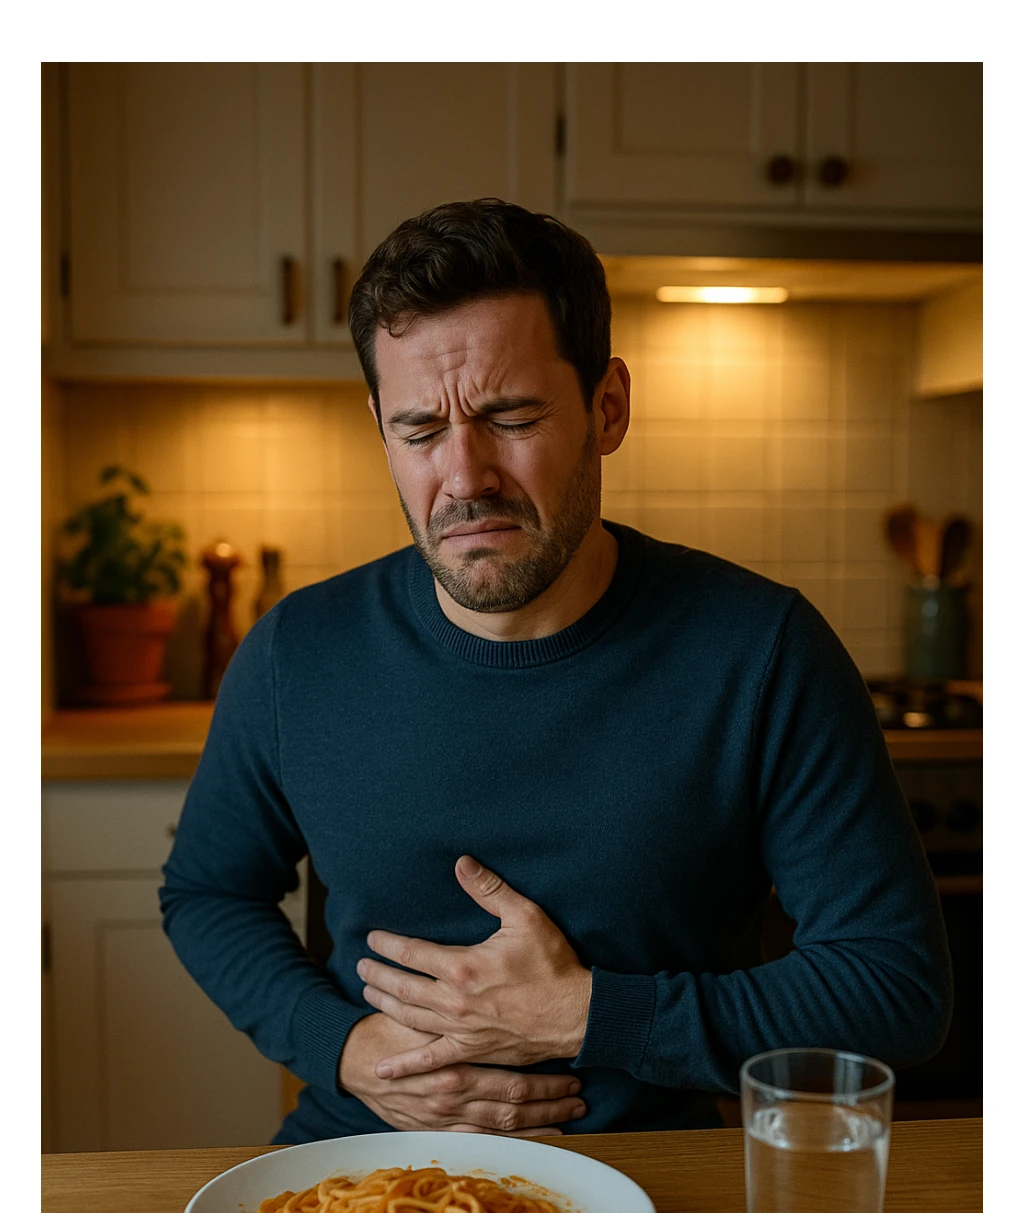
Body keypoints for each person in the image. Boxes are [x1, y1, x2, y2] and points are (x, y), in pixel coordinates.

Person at [160, 198, 951, 1145]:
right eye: (420, 431)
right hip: (363, 1171)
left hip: (661, 1188)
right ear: (379, 426)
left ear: (607, 407)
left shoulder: (762, 651)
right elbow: (208, 894)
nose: (465, 476)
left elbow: (894, 986)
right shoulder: (298, 651)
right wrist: (343, 1047)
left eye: (512, 416)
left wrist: (584, 1015)